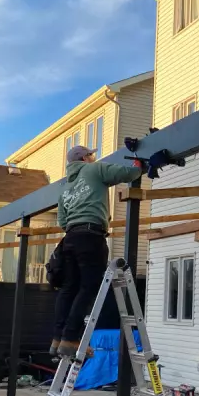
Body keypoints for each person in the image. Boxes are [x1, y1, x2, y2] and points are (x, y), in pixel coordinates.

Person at [51, 145, 142, 359]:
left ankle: (58, 338)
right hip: (91, 236)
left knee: (68, 288)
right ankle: (71, 339)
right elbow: (126, 173)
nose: (93, 157)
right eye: (91, 154)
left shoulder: (65, 188)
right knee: (89, 286)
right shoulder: (94, 169)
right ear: (84, 158)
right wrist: (139, 164)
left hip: (70, 238)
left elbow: (62, 221)